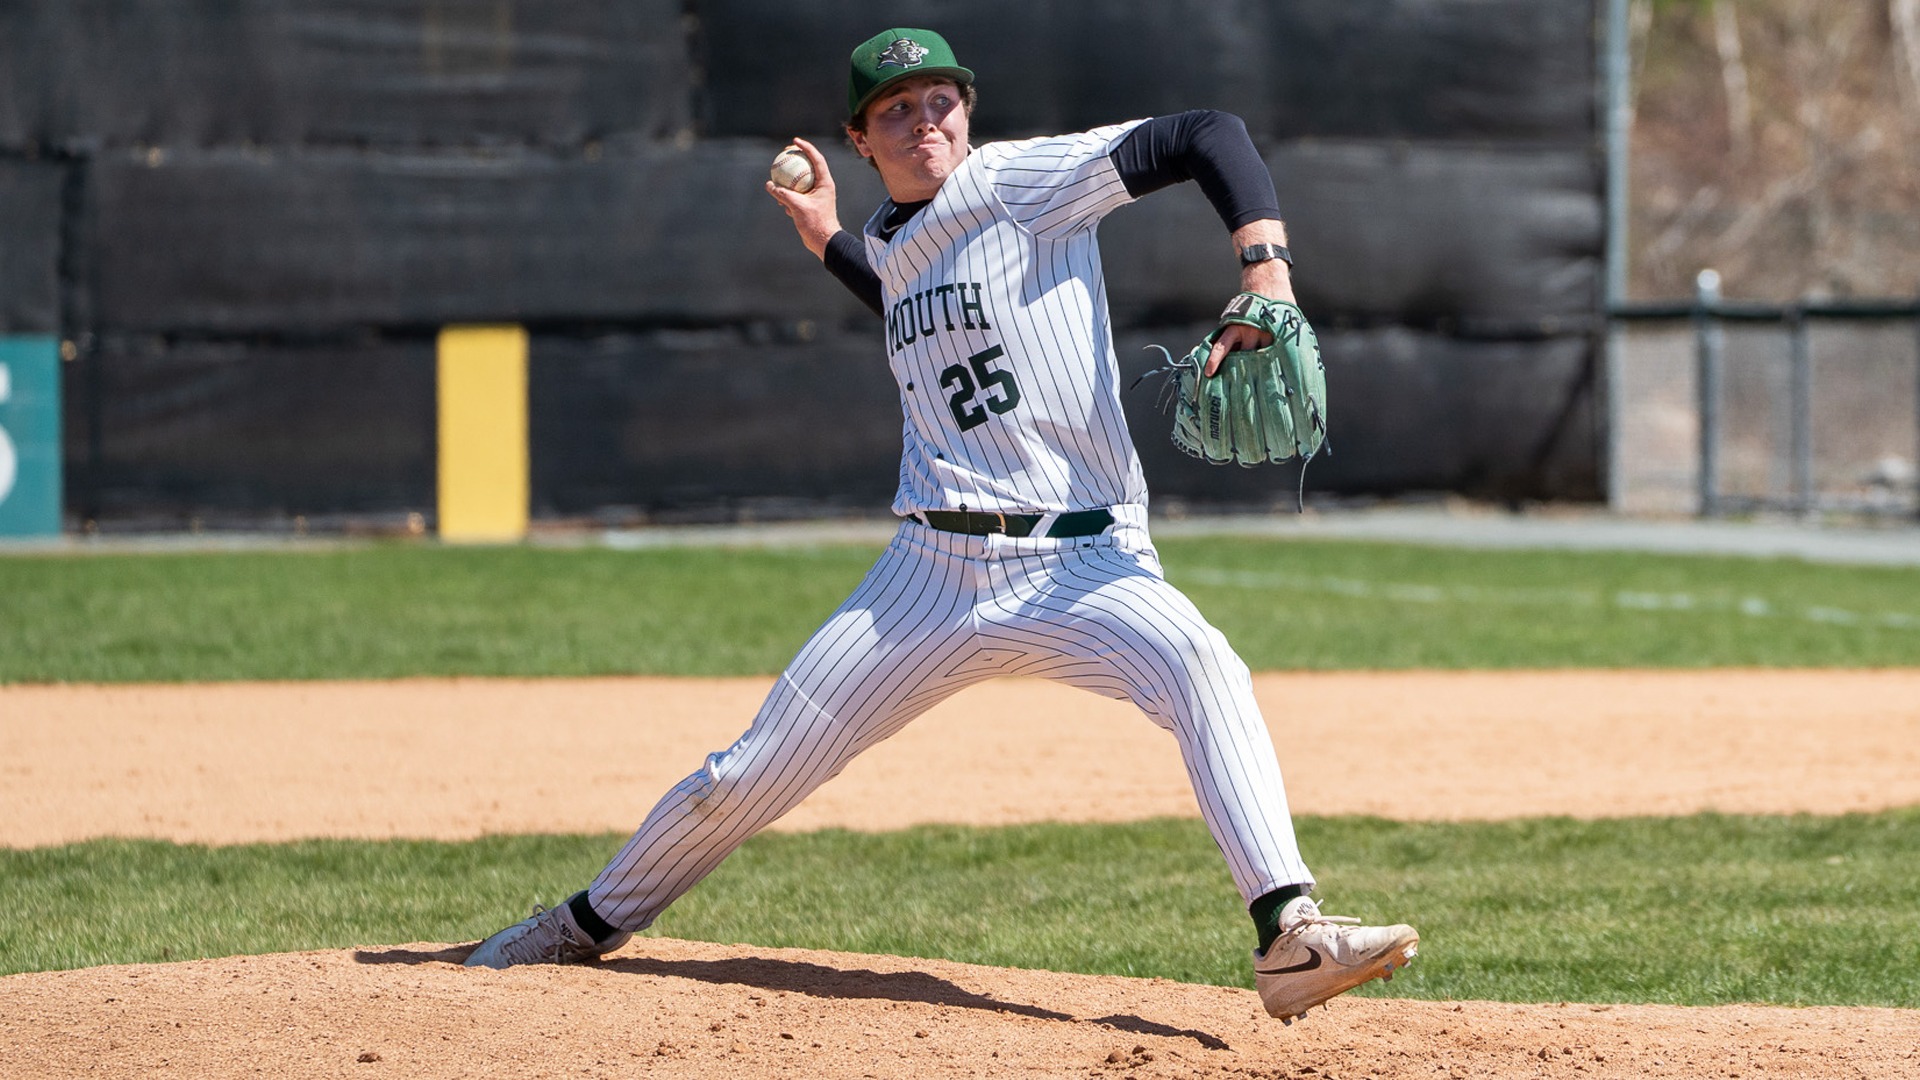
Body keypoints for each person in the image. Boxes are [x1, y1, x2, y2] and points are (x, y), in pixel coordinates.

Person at [465, 26, 1417, 1024]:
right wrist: (825, 237)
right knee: (741, 775)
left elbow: (1204, 132)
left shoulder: (1020, 183)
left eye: (939, 101)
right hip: (928, 572)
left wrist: (1265, 267)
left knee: (1203, 665)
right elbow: (902, 288)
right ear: (860, 138)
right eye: (895, 109)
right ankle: (583, 923)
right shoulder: (890, 240)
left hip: (1083, 563)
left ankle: (1289, 934)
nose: (924, 119)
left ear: (967, 113)